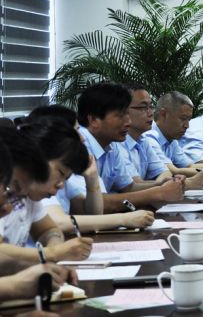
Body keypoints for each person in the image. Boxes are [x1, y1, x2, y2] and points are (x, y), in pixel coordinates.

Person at [28, 105, 155, 234]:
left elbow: (93, 214)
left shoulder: (63, 174)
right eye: (76, 131)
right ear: (55, 135)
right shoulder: (39, 173)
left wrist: (92, 178)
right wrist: (123, 219)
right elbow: (59, 222)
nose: (82, 138)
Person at [77, 83, 183, 211]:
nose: (128, 122)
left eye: (127, 114)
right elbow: (96, 203)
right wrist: (159, 192)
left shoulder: (111, 145)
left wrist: (161, 184)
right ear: (94, 119)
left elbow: (129, 187)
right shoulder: (79, 145)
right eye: (120, 116)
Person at [0, 122, 94, 265]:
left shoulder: (28, 195)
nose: (61, 185)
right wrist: (53, 253)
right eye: (60, 173)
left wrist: (53, 248)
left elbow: (49, 230)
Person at [118, 86, 173, 186]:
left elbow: (165, 173)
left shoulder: (143, 140)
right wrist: (162, 185)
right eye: (143, 107)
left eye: (151, 107)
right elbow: (134, 185)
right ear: (123, 111)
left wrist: (161, 184)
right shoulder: (117, 143)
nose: (151, 113)